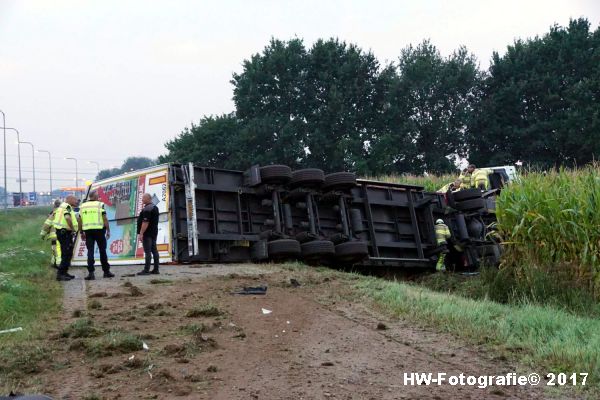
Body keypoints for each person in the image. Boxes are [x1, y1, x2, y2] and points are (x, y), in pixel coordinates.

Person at [78, 190, 114, 280]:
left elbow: (79, 220)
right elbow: (104, 218)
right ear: (94, 196)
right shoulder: (100, 204)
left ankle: (91, 273)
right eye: (97, 195)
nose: (99, 197)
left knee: (90, 251)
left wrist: (81, 232)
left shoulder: (82, 206)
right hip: (99, 231)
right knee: (102, 251)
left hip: (88, 231)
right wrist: (108, 230)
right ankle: (106, 272)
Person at [53, 195, 80, 281]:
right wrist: (72, 229)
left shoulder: (63, 206)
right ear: (69, 200)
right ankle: (60, 274)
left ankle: (64, 272)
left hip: (62, 232)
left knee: (67, 253)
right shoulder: (67, 207)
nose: (77, 202)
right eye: (75, 200)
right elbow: (68, 218)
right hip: (65, 233)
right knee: (66, 253)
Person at [137, 193, 160, 275]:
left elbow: (145, 222)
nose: (142, 200)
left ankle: (146, 270)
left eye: (143, 198)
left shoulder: (147, 208)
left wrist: (141, 233)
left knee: (148, 251)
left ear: (148, 199)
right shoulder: (155, 207)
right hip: (154, 232)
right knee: (154, 251)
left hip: (147, 233)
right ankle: (156, 269)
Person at [40, 199, 62, 269]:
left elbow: (47, 225)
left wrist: (43, 234)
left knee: (55, 249)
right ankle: (56, 263)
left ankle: (58, 264)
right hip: (63, 235)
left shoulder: (53, 213)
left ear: (54, 205)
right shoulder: (64, 212)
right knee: (59, 249)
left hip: (54, 235)